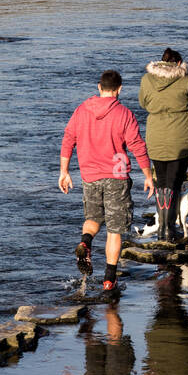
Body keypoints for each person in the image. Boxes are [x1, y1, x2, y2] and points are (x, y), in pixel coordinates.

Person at [59, 69, 154, 295]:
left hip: (89, 176)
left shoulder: (81, 110)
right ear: (119, 89)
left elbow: (68, 139)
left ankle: (85, 242)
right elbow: (137, 146)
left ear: (99, 87)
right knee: (115, 230)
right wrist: (148, 176)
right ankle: (109, 280)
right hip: (117, 177)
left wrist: (64, 171)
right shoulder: (124, 114)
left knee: (92, 219)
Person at [139, 48, 188, 241]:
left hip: (155, 137)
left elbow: (143, 103)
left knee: (161, 184)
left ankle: (163, 229)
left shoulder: (147, 80)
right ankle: (169, 228)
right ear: (178, 63)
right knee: (174, 184)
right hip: (181, 139)